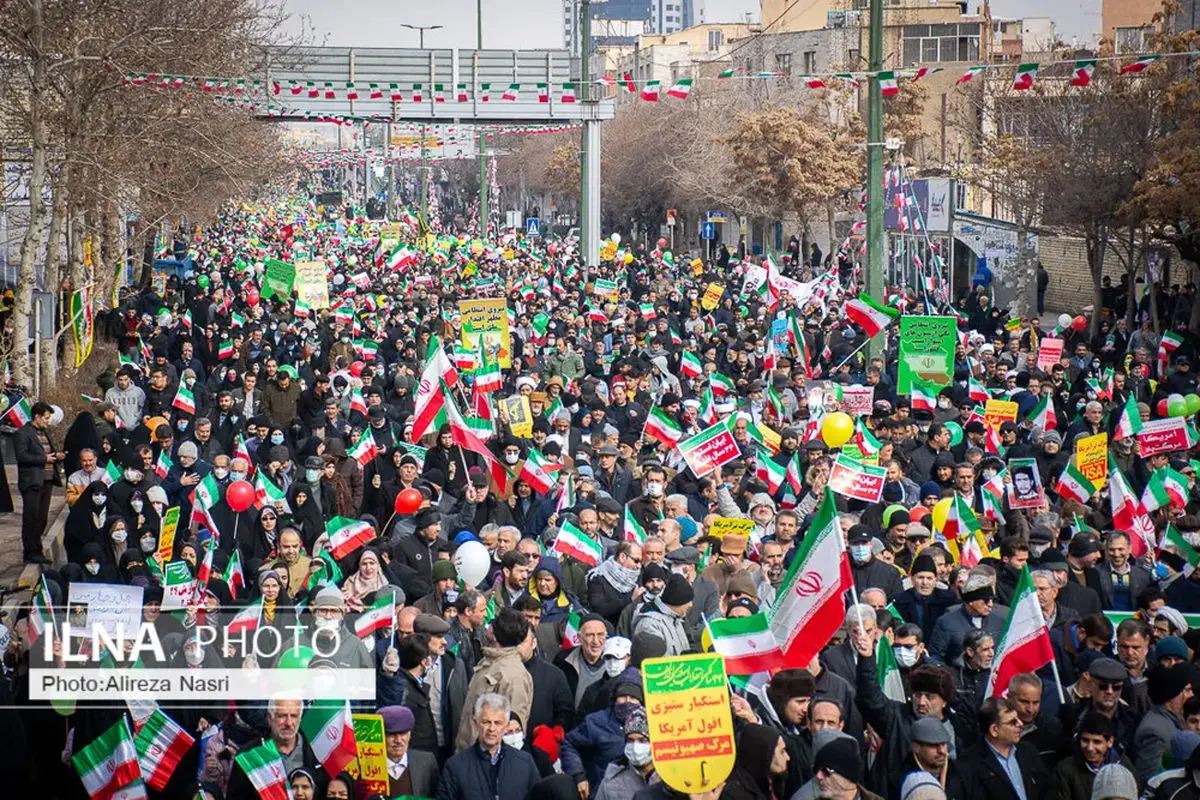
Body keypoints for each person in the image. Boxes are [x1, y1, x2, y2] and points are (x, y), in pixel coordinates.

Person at [439, 693, 540, 800]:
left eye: (497, 723)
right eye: (486, 722)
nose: (492, 728)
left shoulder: (524, 762)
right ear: (476, 723)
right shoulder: (455, 766)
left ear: (506, 726)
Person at [962, 697, 1051, 800]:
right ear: (994, 730)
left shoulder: (1029, 751)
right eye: (1013, 722)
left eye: (1018, 719)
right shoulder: (970, 763)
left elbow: (1046, 789)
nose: (1020, 724)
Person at [15, 401, 64, 564]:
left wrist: (56, 456)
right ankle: (30, 551)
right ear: (37, 417)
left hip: (47, 480)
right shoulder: (23, 433)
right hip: (32, 481)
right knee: (32, 517)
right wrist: (44, 459)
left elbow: (49, 451)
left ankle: (38, 549)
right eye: (46, 418)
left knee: (42, 518)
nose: (47, 421)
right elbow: (22, 457)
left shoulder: (45, 433)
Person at [379, 705, 439, 798]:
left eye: (403, 733)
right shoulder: (369, 767)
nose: (398, 740)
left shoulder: (426, 762)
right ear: (381, 736)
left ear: (409, 735)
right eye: (391, 734)